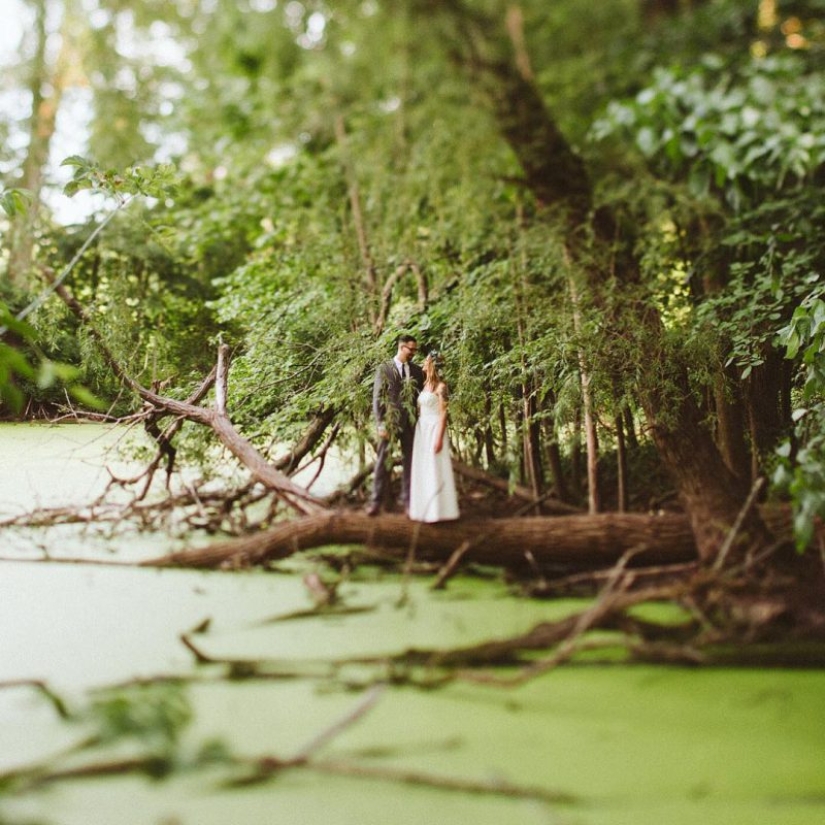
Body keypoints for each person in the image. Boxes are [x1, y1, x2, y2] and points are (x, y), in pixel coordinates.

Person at [366, 334, 424, 516]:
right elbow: (378, 398)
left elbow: (422, 393)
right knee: (384, 461)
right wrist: (380, 424)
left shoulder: (416, 370)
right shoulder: (385, 368)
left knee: (410, 462)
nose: (413, 353)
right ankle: (376, 502)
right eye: (411, 349)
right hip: (390, 423)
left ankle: (408, 502)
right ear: (401, 347)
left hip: (410, 424)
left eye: (415, 350)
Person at [408, 351, 459, 523]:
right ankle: (423, 510)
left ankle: (441, 511)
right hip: (422, 429)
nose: (423, 363)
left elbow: (444, 414)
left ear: (432, 365)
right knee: (423, 467)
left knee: (435, 467)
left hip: (435, 428)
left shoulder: (441, 387)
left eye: (426, 361)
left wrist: (439, 438)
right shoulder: (424, 385)